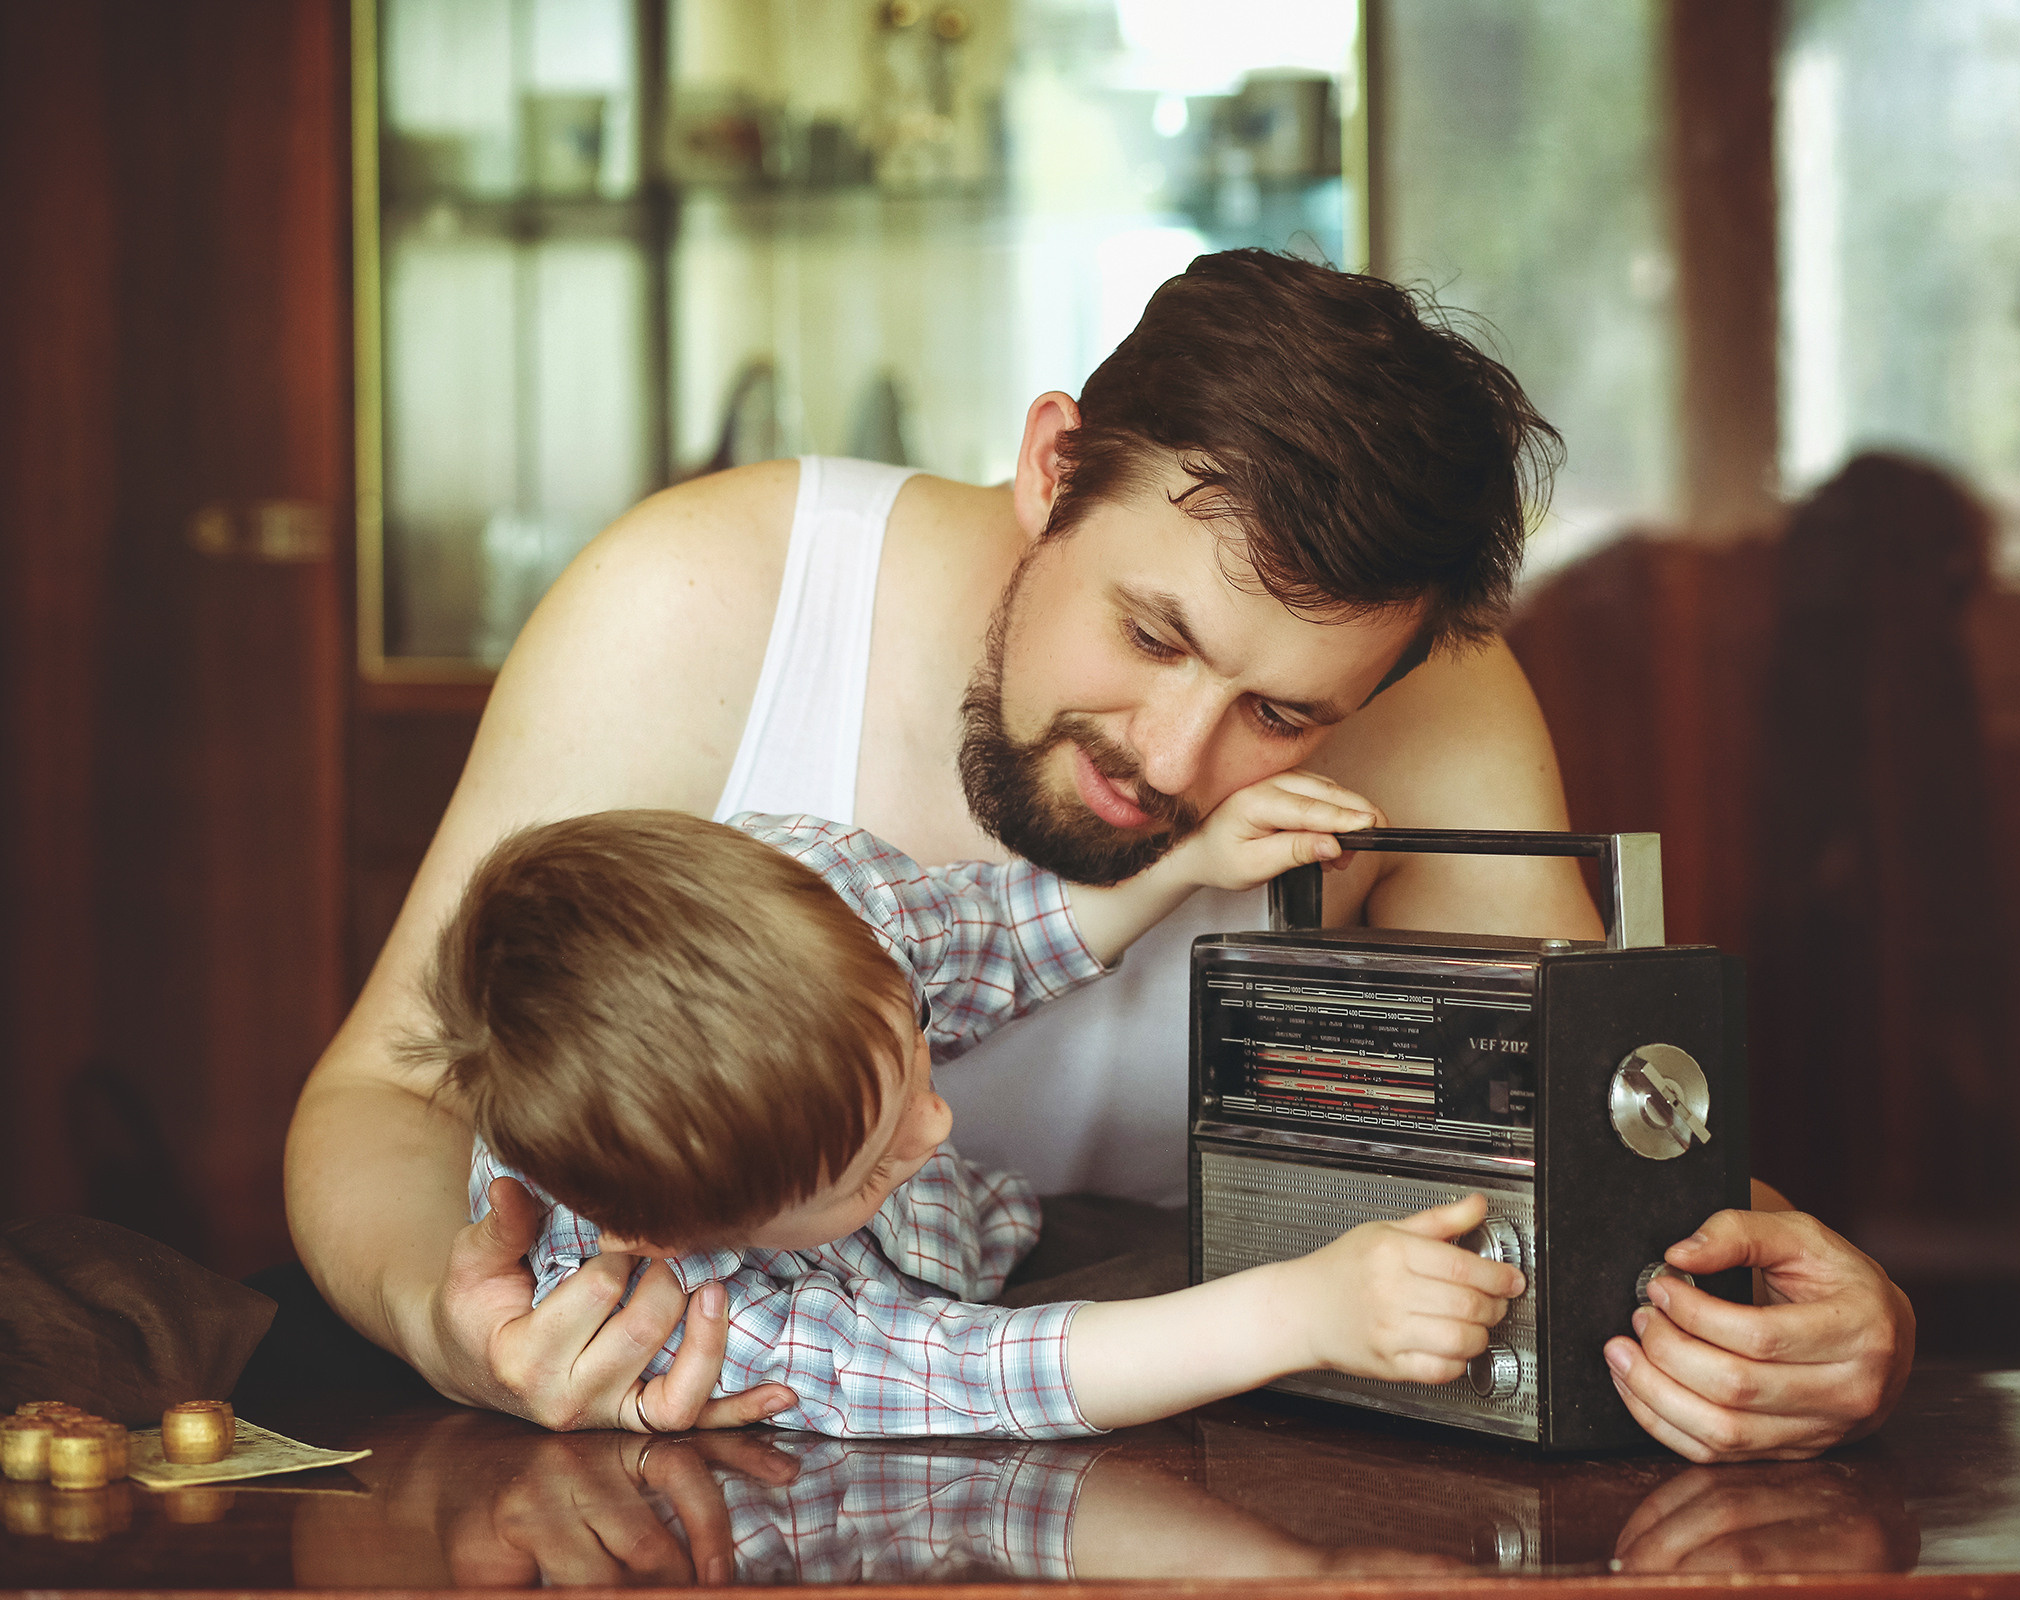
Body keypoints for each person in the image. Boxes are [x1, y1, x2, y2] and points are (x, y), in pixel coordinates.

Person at [287, 249, 1912, 1460]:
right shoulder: (707, 601)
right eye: (1149, 631)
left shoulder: (1446, 706)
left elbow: (1591, 1143)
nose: (1177, 763)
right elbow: (387, 1097)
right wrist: (458, 1325)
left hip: (1225, 1461)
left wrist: (1834, 1318)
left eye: (1286, 712)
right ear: (1052, 467)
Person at [426, 799, 1520, 1437]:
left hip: (1019, 1229)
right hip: (954, 1355)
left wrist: (1185, 862)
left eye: (911, 1045)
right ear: (683, 1233)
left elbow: (987, 929)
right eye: (861, 1173)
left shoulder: (814, 897)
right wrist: (1300, 1317)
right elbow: (972, 1369)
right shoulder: (683, 1310)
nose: (936, 1127)